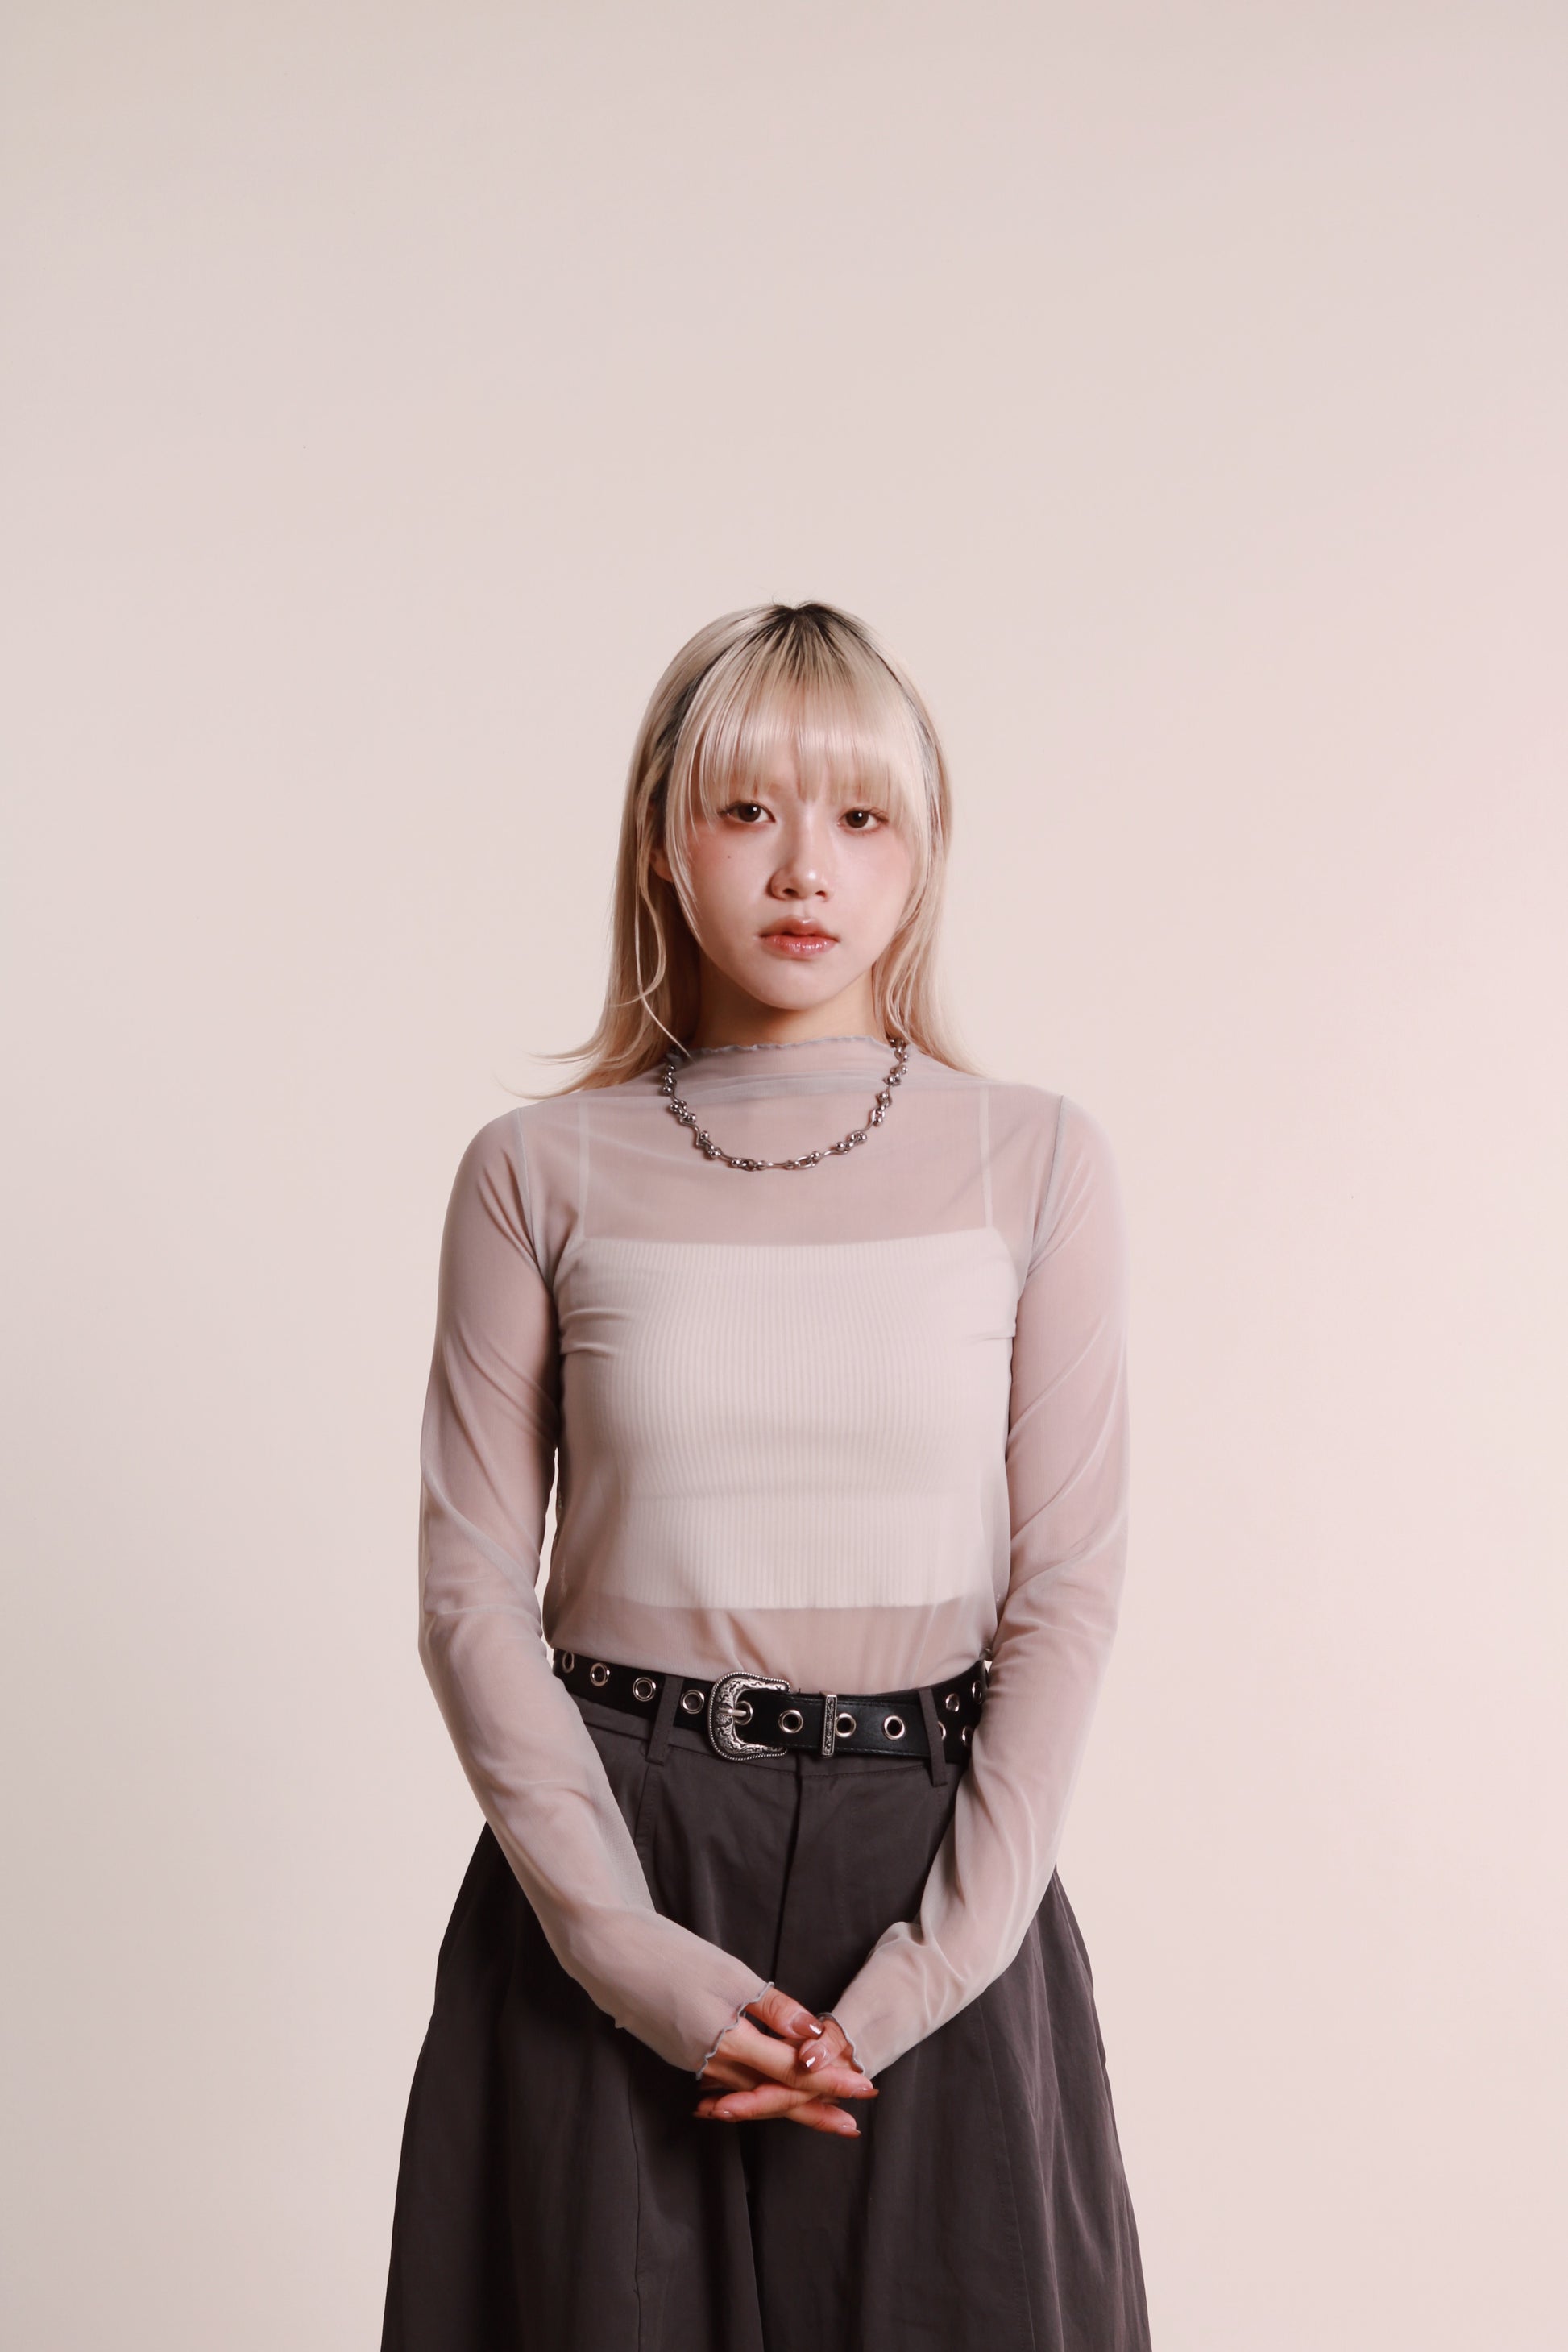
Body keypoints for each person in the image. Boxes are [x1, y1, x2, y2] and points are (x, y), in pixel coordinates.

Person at [380, 601, 1151, 2350]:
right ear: (664, 839)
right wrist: (626, 1953)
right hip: (609, 1850)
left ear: (921, 854)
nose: (806, 867)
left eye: (861, 816)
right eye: (746, 810)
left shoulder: (1033, 1160)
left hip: (939, 1867)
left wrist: (918, 1978)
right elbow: (467, 1589)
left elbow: (1067, 1592)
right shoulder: (536, 1170)